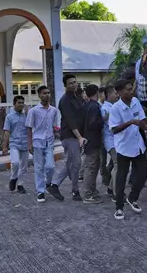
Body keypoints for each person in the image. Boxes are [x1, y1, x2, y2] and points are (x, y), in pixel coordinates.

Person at [109, 79, 147, 220]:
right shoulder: (115, 108)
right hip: (124, 147)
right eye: (127, 89)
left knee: (143, 175)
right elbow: (114, 129)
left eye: (131, 88)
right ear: (119, 92)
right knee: (121, 178)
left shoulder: (136, 102)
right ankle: (119, 208)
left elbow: (142, 120)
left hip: (138, 146)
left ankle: (132, 198)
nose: (130, 91)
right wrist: (131, 122)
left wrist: (146, 127)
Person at [48, 74, 87, 202]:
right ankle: (74, 190)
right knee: (75, 163)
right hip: (70, 136)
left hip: (77, 136)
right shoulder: (65, 100)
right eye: (70, 83)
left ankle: (55, 185)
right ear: (65, 86)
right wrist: (80, 137)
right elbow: (70, 121)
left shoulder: (77, 97)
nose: (74, 85)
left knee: (71, 163)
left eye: (75, 82)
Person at [25, 85, 61, 203]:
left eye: (49, 93)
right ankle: (40, 191)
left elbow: (55, 126)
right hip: (37, 142)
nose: (47, 95)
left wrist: (59, 131)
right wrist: (29, 144)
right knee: (39, 168)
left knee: (50, 166)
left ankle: (47, 183)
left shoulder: (54, 110)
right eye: (44, 93)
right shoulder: (33, 111)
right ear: (39, 95)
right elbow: (29, 128)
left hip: (49, 141)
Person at [80, 84, 104, 204]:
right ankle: (88, 194)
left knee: (93, 167)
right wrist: (103, 120)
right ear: (97, 93)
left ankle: (92, 190)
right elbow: (93, 123)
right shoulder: (94, 106)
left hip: (89, 139)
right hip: (93, 140)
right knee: (91, 168)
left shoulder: (86, 105)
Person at [2, 95, 28, 194]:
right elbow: (7, 132)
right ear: (14, 104)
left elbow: (31, 128)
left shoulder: (26, 115)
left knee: (24, 166)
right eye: (19, 103)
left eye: (22, 102)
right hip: (14, 144)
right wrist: (4, 147)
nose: (21, 104)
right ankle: (13, 178)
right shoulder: (9, 117)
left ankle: (20, 184)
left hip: (25, 143)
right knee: (15, 163)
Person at [101, 85, 119, 199]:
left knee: (114, 164)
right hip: (110, 140)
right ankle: (116, 193)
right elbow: (110, 124)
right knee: (118, 164)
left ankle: (110, 187)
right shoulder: (105, 108)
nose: (116, 95)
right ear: (108, 95)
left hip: (116, 140)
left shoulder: (113, 106)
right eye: (114, 93)